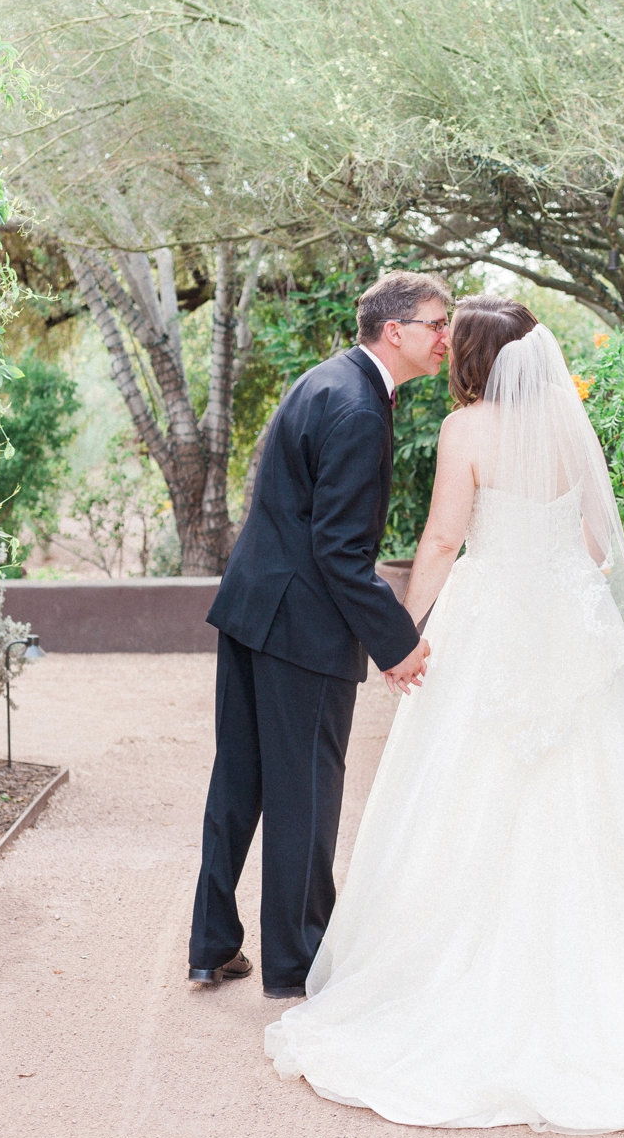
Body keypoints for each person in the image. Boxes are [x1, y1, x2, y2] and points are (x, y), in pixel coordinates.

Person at [265, 295, 624, 1133]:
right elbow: (595, 542)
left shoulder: (465, 431)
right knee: (595, 795)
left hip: (490, 623)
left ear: (473, 357)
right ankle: (621, 988)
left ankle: (451, 979)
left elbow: (441, 541)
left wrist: (404, 634)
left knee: (463, 791)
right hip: (567, 624)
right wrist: (562, 595)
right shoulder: (564, 424)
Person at [187, 271, 451, 999]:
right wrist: (397, 642)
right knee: (304, 792)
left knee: (237, 781)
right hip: (300, 627)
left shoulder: (324, 381)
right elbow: (341, 552)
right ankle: (295, 964)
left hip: (250, 608)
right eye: (436, 322)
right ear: (393, 331)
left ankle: (212, 946)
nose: (446, 337)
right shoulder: (360, 409)